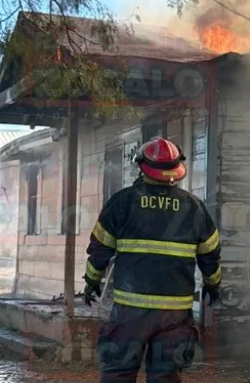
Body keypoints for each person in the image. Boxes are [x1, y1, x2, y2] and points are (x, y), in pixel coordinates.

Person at [82, 136, 222, 383]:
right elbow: (210, 254)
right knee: (165, 375)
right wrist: (212, 284)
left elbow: (100, 249)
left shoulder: (123, 202)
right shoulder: (195, 207)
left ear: (141, 166)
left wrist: (92, 280)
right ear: (176, 170)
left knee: (119, 372)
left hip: (130, 311)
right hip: (175, 314)